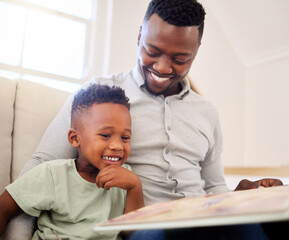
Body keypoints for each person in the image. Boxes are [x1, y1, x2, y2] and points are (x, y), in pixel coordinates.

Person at [3, 0, 283, 239]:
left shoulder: (207, 112)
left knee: (258, 223)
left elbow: (213, 187)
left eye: (180, 58)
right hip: (146, 225)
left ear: (197, 49)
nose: (162, 67)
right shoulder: (101, 100)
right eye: (152, 51)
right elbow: (41, 167)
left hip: (203, 218)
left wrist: (240, 194)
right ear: (139, 36)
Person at [0, 84, 144, 240]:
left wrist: (134, 187)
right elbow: (3, 207)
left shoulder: (127, 180)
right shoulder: (53, 174)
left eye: (125, 138)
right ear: (75, 138)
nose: (117, 146)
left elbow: (133, 232)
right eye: (105, 135)